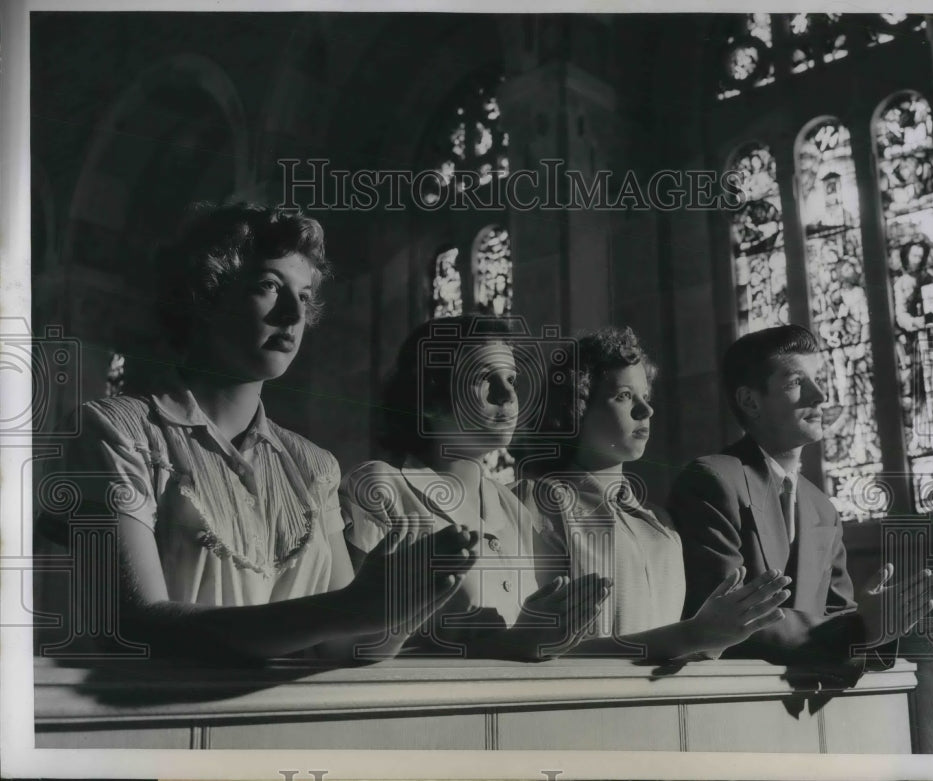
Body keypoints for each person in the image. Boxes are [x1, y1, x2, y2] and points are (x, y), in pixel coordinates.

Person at [37, 203, 477, 662]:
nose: (292, 314)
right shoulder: (118, 430)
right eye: (269, 286)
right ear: (207, 293)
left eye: (304, 297)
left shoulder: (313, 465)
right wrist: (351, 609)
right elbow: (134, 627)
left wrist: (404, 604)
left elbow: (344, 647)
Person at [668, 324, 933, 675]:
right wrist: (859, 628)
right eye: (798, 382)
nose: (820, 396)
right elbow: (725, 621)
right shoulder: (713, 481)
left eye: (819, 378)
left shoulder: (822, 508)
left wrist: (879, 626)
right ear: (751, 401)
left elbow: (839, 618)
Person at [341, 314, 610, 660]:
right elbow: (350, 647)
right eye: (484, 378)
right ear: (430, 401)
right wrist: (515, 642)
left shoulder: (512, 507)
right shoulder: (380, 487)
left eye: (511, 378)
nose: (508, 394)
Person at [515, 327, 790, 661]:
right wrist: (693, 634)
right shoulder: (538, 505)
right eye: (624, 396)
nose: (646, 410)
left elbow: (672, 644)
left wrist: (713, 638)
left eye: (647, 397)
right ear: (577, 406)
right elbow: (542, 651)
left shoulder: (660, 523)